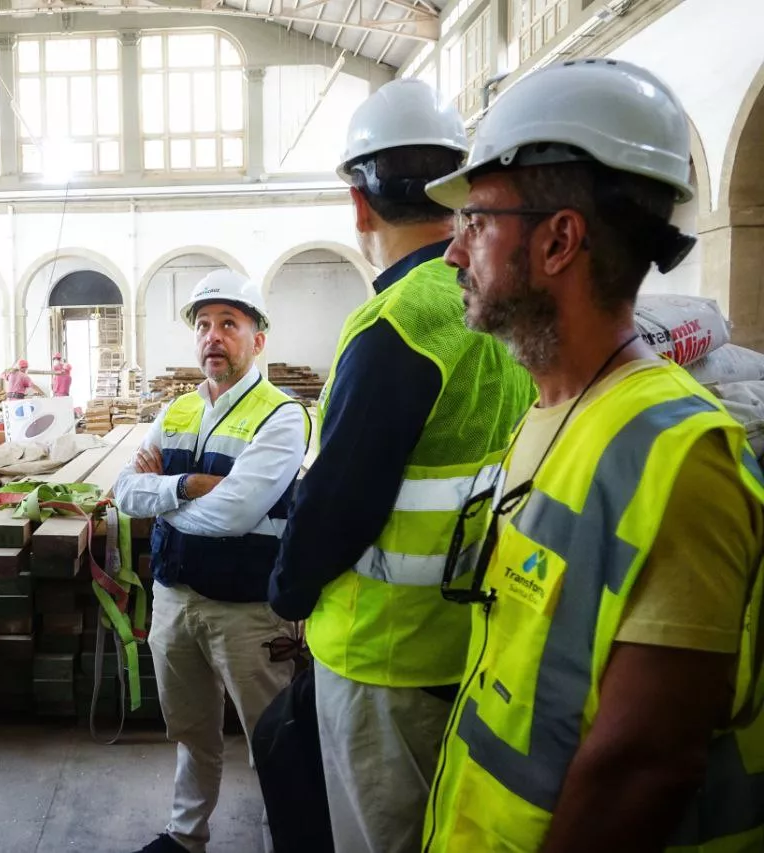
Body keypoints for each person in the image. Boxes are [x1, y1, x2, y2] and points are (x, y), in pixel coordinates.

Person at [420, 58, 764, 851]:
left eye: (474, 222)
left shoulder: (681, 458)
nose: (452, 253)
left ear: (559, 241)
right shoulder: (558, 409)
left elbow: (644, 767)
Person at [267, 79, 535, 853]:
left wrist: (287, 587)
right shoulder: (500, 301)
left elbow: (339, 500)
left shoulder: (393, 324)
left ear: (359, 202)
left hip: (381, 658)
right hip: (483, 642)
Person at [115, 269, 310, 853]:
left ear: (258, 339)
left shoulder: (283, 416)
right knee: (191, 732)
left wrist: (163, 498)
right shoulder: (175, 411)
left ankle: (293, 840)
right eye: (203, 324)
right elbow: (125, 493)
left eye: (229, 323)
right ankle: (185, 835)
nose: (213, 336)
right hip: (176, 600)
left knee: (272, 739)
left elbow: (235, 515)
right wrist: (190, 487)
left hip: (248, 612)